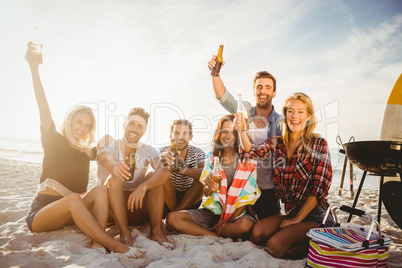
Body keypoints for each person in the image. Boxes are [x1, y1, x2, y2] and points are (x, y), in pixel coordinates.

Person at [24, 42, 144, 258]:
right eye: (78, 122)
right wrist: (34, 68)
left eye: (87, 125)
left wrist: (109, 140)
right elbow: (42, 104)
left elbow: (107, 154)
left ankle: (97, 245)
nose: (82, 128)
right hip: (42, 213)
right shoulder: (53, 139)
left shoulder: (87, 150)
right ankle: (113, 244)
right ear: (69, 120)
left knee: (99, 190)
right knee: (73, 199)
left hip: (72, 214)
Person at [235, 92, 334, 259]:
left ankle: (324, 244)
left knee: (275, 246)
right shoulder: (277, 143)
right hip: (291, 213)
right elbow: (250, 151)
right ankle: (299, 237)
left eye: (300, 112)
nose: (295, 116)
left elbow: (319, 190)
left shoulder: (319, 144)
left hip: (316, 216)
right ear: (285, 114)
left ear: (308, 116)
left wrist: (297, 220)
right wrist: (242, 130)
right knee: (257, 234)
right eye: (290, 111)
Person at [208, 56, 282, 220]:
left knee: (264, 232)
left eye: (268, 87)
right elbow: (223, 97)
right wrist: (215, 75)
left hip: (266, 188)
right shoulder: (245, 110)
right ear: (254, 90)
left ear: (274, 92)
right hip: (241, 185)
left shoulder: (280, 122)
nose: (263, 91)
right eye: (259, 87)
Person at [166, 115, 260, 239]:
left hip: (237, 214)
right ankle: (215, 235)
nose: (228, 136)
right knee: (172, 218)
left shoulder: (247, 160)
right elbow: (206, 193)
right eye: (224, 132)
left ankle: (220, 229)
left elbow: (247, 196)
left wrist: (227, 220)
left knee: (245, 226)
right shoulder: (212, 157)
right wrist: (209, 186)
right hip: (213, 213)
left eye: (232, 133)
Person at [97, 107, 174, 249]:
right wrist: (114, 166)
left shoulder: (147, 149)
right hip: (112, 212)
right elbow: (104, 157)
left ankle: (156, 231)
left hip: (137, 207)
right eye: (131, 123)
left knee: (154, 176)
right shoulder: (112, 145)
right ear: (124, 125)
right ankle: (124, 232)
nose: (135, 129)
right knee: (115, 178)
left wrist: (143, 186)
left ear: (144, 131)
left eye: (140, 126)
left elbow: (164, 172)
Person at [159, 119, 205, 214]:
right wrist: (163, 158)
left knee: (202, 179)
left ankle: (175, 214)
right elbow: (160, 157)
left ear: (190, 137)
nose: (180, 137)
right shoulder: (164, 151)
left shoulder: (197, 153)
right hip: (168, 197)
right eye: (176, 133)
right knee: (161, 173)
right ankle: (174, 215)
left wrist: (180, 169)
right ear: (171, 136)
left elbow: (206, 171)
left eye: (184, 133)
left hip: (189, 199)